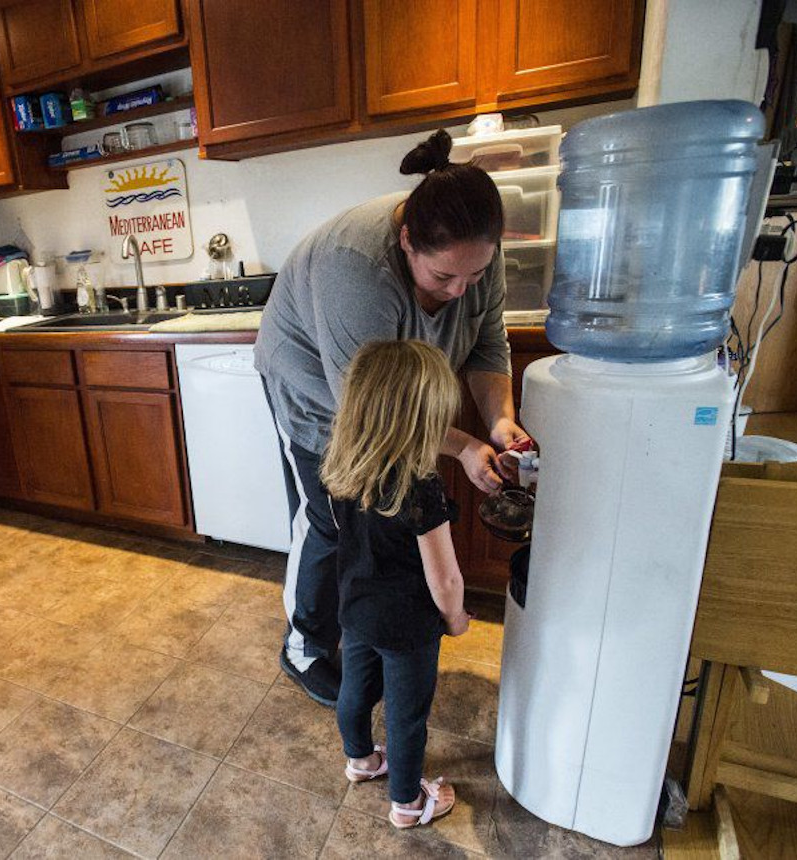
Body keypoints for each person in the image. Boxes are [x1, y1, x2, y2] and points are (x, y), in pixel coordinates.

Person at [255, 129, 528, 706]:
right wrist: (461, 447)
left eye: (474, 277)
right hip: (317, 390)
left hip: (390, 403)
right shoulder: (353, 268)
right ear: (407, 241)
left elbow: (487, 344)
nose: (460, 292)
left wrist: (499, 422)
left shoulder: (477, 249)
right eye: (442, 278)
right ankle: (303, 645)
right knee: (330, 517)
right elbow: (375, 410)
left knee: (377, 521)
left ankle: (356, 632)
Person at [320, 339, 469, 828]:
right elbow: (443, 576)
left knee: (356, 689)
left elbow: (350, 538)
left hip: (357, 607)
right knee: (407, 716)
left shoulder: (342, 467)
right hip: (408, 626)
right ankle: (407, 802)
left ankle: (360, 760)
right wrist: (455, 618)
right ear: (419, 422)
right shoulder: (420, 486)